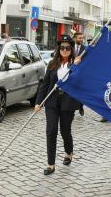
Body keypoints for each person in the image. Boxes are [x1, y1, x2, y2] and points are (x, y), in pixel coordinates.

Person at [35, 35, 81, 175]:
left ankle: (68, 152)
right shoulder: (52, 64)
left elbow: (78, 81)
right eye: (62, 47)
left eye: (67, 48)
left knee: (65, 131)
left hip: (68, 102)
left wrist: (76, 66)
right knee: (51, 131)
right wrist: (38, 102)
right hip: (52, 101)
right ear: (58, 49)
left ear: (71, 49)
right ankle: (50, 164)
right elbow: (45, 84)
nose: (65, 50)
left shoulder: (77, 63)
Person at [73, 32, 86, 116]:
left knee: (80, 92)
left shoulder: (85, 49)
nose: (81, 40)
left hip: (81, 74)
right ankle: (72, 108)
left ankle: (81, 106)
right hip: (72, 72)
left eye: (82, 38)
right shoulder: (70, 48)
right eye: (79, 38)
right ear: (75, 38)